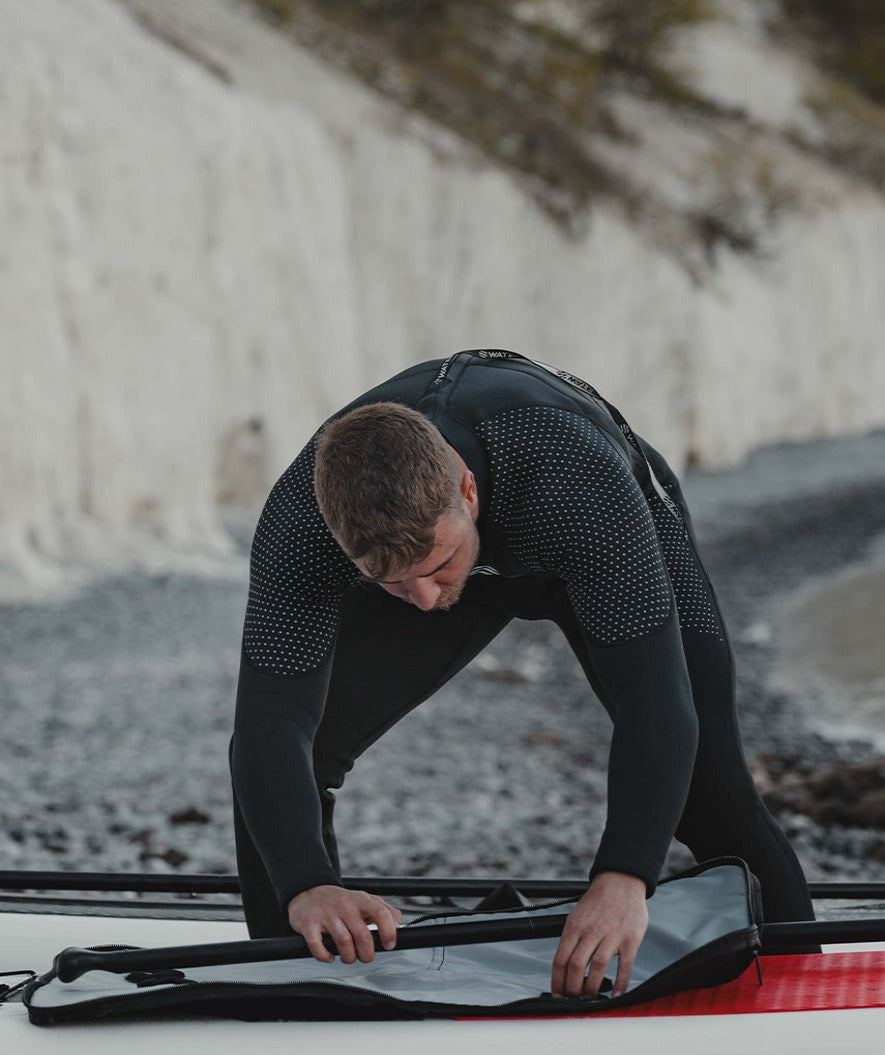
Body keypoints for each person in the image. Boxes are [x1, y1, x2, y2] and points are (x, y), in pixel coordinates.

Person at [230, 349, 815, 1000]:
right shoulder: (301, 521)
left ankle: (804, 978)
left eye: (433, 564)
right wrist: (306, 884)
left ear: (467, 490)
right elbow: (267, 726)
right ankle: (293, 974)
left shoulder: (569, 475)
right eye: (390, 580)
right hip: (474, 559)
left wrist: (623, 878)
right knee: (298, 757)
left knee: (709, 781)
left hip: (594, 536)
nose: (422, 597)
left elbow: (652, 698)